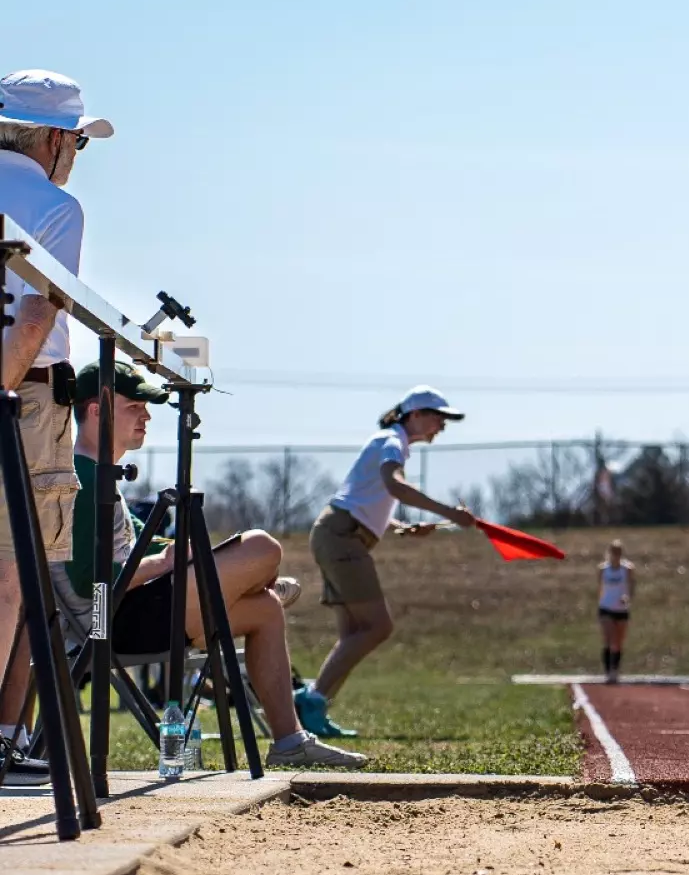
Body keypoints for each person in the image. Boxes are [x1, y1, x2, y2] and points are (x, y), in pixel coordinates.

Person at [57, 362, 364, 768]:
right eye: (135, 406)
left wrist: (182, 554)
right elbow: (87, 583)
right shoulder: (82, 479)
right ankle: (260, 582)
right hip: (109, 621)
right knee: (262, 546)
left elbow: (141, 544)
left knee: (265, 611)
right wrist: (165, 563)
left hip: (136, 611)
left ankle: (290, 742)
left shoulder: (102, 478)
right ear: (97, 410)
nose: (147, 416)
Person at [0, 70, 110, 786]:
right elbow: (39, 314)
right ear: (54, 138)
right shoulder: (55, 205)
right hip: (27, 393)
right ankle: (5, 733)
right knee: (18, 575)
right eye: (77, 142)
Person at [293, 387, 474, 738]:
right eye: (439, 417)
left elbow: (361, 496)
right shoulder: (392, 441)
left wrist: (401, 527)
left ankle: (313, 708)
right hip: (342, 537)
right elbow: (395, 485)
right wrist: (449, 512)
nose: (442, 425)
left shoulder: (388, 441)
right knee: (378, 627)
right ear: (415, 415)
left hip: (337, 533)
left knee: (353, 633)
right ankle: (310, 701)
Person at [596, 540, 634, 684]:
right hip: (606, 607)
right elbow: (600, 587)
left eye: (618, 553)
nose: (616, 556)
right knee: (609, 639)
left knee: (618, 642)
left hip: (621, 609)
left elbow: (631, 586)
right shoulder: (603, 569)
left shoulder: (627, 569)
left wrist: (627, 597)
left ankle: (615, 670)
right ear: (609, 553)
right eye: (613, 552)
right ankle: (608, 671)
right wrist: (601, 601)